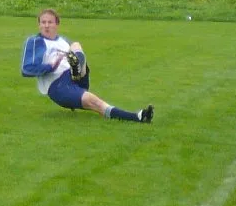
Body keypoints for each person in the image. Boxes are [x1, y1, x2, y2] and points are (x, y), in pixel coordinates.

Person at [21, 8, 154, 123]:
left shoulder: (62, 41)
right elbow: (26, 69)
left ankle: (76, 69)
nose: (46, 26)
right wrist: (51, 66)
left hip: (76, 78)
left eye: (50, 22)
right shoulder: (35, 41)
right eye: (43, 22)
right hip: (58, 85)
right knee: (95, 102)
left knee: (76, 45)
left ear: (57, 24)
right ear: (39, 25)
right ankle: (138, 117)